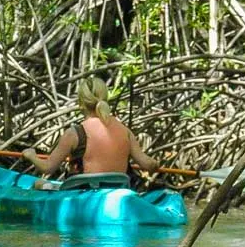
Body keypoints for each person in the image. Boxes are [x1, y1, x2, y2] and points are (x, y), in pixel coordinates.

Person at [21, 76, 159, 189]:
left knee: (38, 184)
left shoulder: (74, 133)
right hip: (116, 193)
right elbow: (149, 165)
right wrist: (155, 165)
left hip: (82, 194)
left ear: (81, 103)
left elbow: (47, 168)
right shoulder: (125, 131)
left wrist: (31, 155)